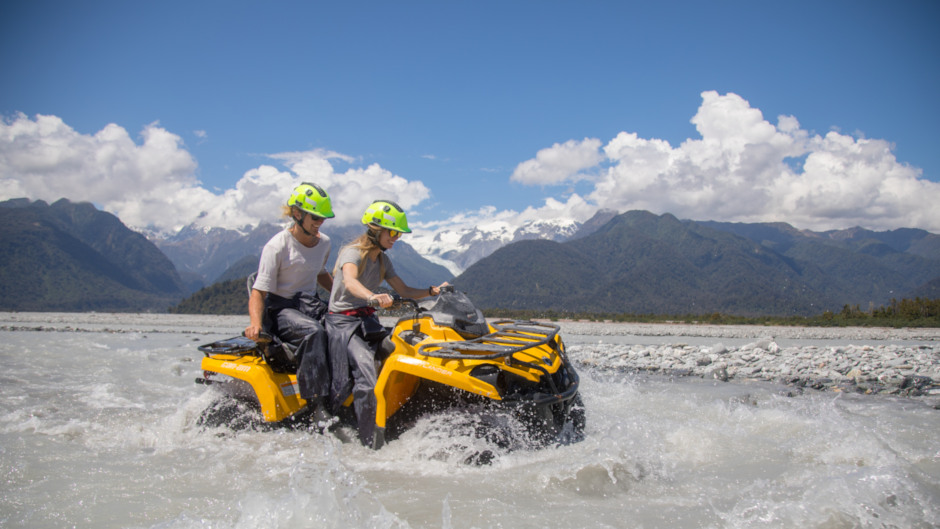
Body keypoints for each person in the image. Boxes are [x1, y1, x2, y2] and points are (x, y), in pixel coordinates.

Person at [326, 199, 449, 446]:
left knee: (404, 350)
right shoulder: (352, 253)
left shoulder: (383, 260)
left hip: (366, 321)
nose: (396, 238)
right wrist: (371, 297)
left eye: (398, 234)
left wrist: (432, 291)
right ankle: (369, 441)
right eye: (392, 232)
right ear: (375, 229)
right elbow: (349, 281)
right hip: (342, 323)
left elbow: (402, 289)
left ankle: (401, 414)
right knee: (366, 373)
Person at [245, 182, 335, 419]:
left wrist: (344, 297)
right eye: (315, 217)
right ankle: (316, 406)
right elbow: (258, 292)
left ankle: (344, 389)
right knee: (313, 332)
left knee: (343, 324)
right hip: (281, 309)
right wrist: (255, 324)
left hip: (309, 303)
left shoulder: (324, 243)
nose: (320, 222)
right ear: (297, 214)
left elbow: (320, 273)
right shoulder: (277, 246)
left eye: (323, 218)